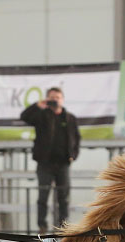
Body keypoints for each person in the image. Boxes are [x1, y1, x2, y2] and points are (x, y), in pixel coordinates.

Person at [20, 87, 81, 233]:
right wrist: (37, 106)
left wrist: (73, 155)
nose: (55, 100)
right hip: (44, 164)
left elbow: (77, 139)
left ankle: (63, 227)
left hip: (63, 164)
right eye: (52, 97)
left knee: (64, 197)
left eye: (58, 97)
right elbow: (24, 116)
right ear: (47, 99)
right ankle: (42, 226)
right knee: (43, 196)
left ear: (63, 99)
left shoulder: (70, 118)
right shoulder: (41, 116)